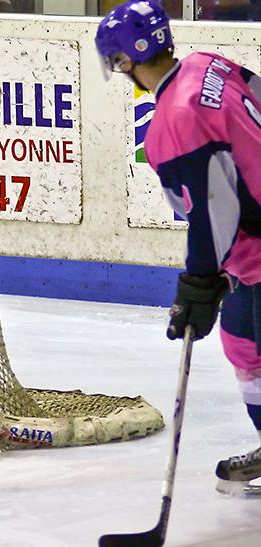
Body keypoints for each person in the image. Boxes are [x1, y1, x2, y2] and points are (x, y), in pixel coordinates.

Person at [96, 0, 261, 494]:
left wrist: (198, 281)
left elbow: (213, 211)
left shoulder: (176, 118)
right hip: (252, 252)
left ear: (125, 60)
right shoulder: (209, 64)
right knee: (243, 342)